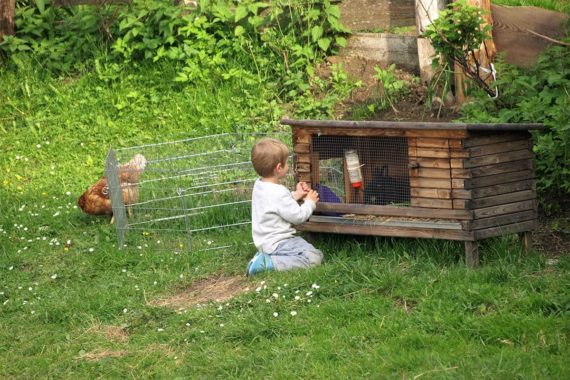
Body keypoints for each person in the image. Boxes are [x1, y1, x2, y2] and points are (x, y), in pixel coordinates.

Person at [246, 137, 323, 276]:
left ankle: (266, 257)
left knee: (314, 254)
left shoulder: (260, 185)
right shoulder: (278, 192)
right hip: (280, 243)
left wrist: (296, 194)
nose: (288, 166)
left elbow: (275, 204)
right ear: (278, 168)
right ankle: (267, 263)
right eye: (287, 163)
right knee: (314, 258)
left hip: (266, 243)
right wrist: (310, 203)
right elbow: (298, 217)